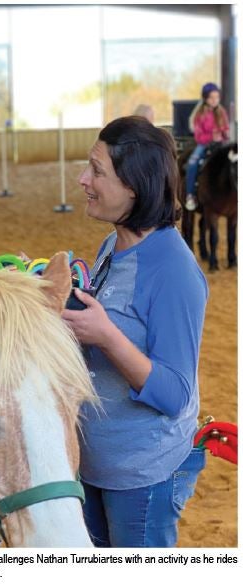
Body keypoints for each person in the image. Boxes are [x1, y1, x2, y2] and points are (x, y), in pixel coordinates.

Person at [62, 116, 208, 547]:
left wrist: (106, 335)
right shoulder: (114, 245)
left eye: (97, 170)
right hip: (96, 464)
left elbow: (174, 394)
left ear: (135, 187)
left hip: (142, 474)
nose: (83, 179)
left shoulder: (174, 270)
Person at [184, 82, 229, 211]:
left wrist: (224, 134)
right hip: (204, 144)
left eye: (217, 97)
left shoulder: (222, 112)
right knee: (192, 163)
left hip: (221, 144)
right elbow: (198, 135)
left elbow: (226, 128)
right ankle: (190, 195)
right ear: (205, 98)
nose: (215, 100)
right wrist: (211, 137)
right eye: (212, 97)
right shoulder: (200, 114)